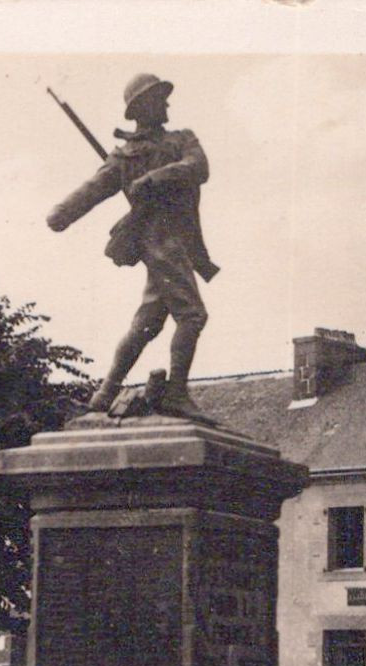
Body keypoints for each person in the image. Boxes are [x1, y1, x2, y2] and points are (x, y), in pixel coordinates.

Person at [47, 73, 219, 419]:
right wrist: (61, 214)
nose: (167, 103)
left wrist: (152, 178)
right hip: (160, 242)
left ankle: (105, 392)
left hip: (179, 243)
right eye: (159, 98)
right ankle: (176, 393)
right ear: (143, 106)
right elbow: (93, 189)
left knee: (147, 322)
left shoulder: (182, 140)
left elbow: (198, 167)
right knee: (192, 315)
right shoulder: (124, 157)